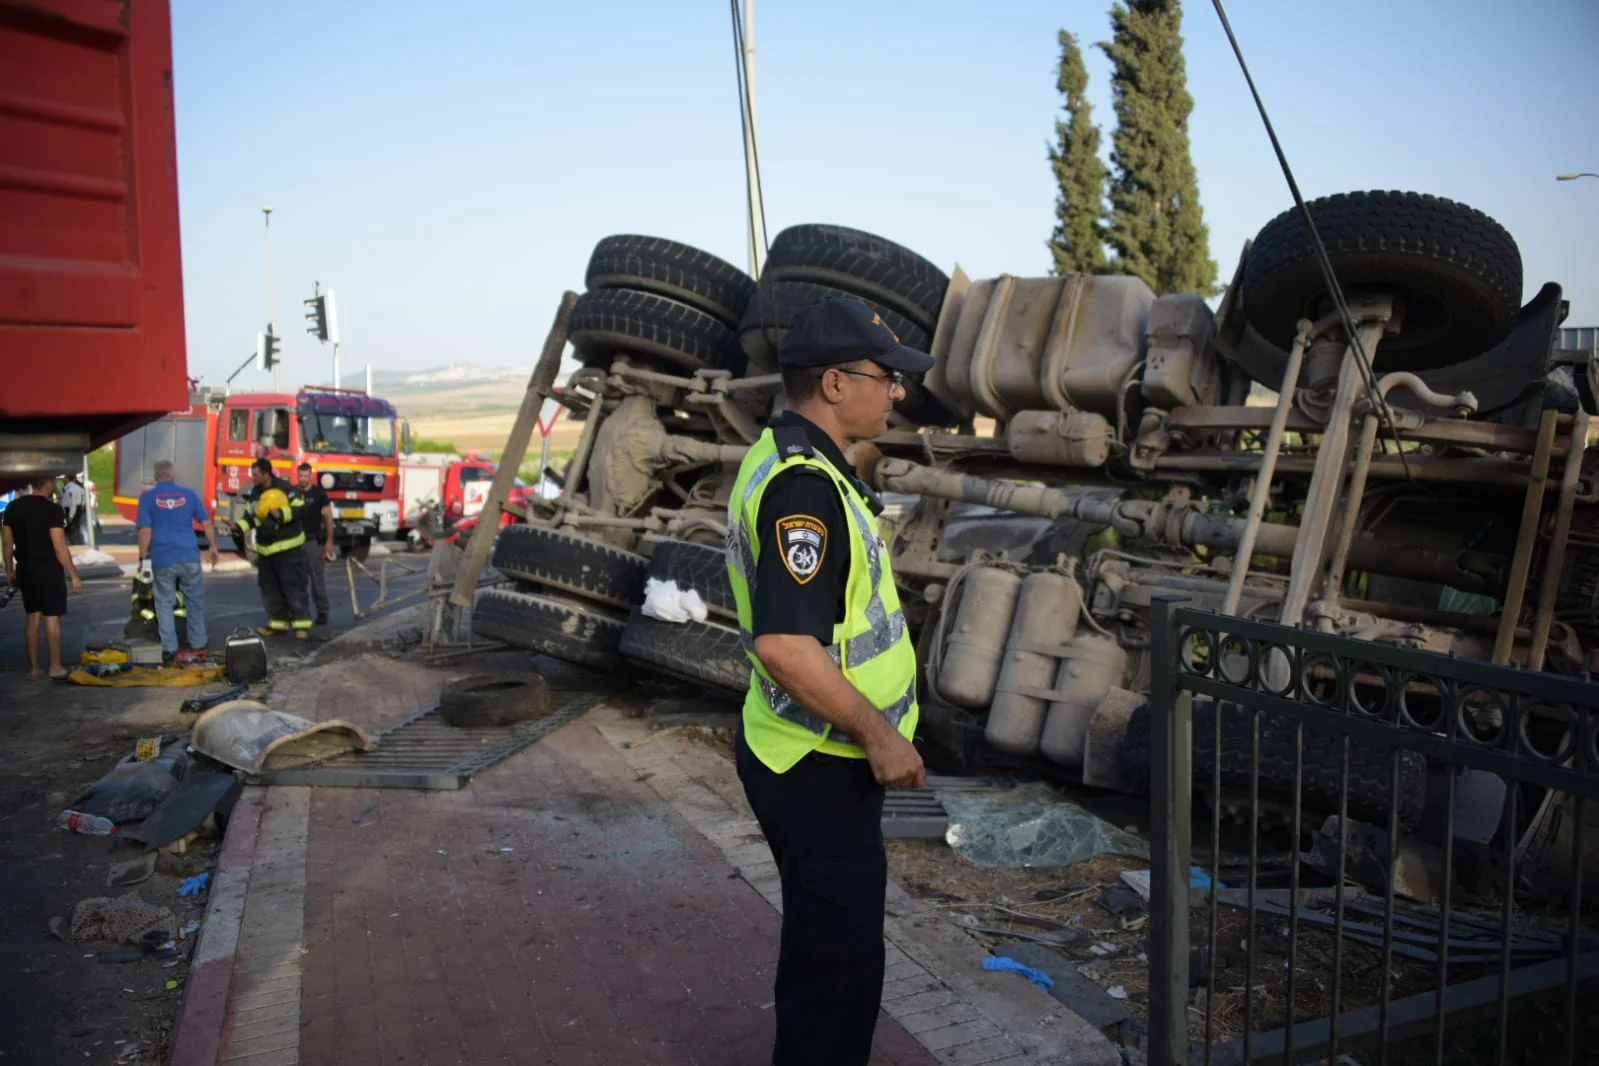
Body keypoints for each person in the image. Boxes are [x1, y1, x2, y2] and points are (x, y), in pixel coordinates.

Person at [725, 296, 929, 1065]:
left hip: (801, 751)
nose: (898, 392)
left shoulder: (793, 458)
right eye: (888, 377)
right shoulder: (804, 487)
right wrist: (879, 736)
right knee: (838, 970)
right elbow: (785, 643)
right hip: (817, 762)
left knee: (824, 951)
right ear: (836, 384)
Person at [136, 460, 220, 662]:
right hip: (189, 555)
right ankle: (199, 643)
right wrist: (213, 547)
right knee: (194, 601)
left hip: (162, 557)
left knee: (164, 602)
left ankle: (169, 648)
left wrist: (142, 557)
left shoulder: (148, 498)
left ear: (156, 476)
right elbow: (207, 522)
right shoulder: (189, 494)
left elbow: (145, 531)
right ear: (172, 474)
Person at [2, 476, 83, 679]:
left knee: (32, 616)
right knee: (52, 618)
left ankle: (34, 668)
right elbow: (59, 547)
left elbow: (6, 542)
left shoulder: (13, 508)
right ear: (48, 484)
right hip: (48, 569)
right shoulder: (52, 509)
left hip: (25, 569)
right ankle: (55, 666)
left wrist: (10, 571)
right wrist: (73, 575)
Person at [235, 458, 313, 640]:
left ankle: (301, 625)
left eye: (255, 474)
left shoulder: (285, 488)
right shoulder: (255, 493)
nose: (252, 477)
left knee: (294, 587)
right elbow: (252, 518)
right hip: (266, 551)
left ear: (266, 474)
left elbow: (302, 510)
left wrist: (281, 514)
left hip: (288, 549)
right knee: (270, 589)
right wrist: (238, 527)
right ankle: (277, 624)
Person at [295, 463, 336, 626]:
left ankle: (322, 612)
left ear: (310, 476)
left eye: (305, 476)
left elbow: (328, 518)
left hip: (313, 542)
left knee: (317, 580)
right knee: (298, 581)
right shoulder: (293, 493)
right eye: (300, 476)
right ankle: (301, 613)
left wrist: (329, 541)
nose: (302, 479)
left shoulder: (319, 494)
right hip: (295, 543)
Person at [59, 473, 86, 545]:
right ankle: (78, 543)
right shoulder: (67, 487)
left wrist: (71, 515)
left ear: (68, 479)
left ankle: (76, 544)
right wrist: (83, 503)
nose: (63, 480)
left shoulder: (72, 489)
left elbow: (73, 503)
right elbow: (83, 494)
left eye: (64, 478)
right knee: (72, 528)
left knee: (72, 529)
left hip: (72, 510)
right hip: (70, 510)